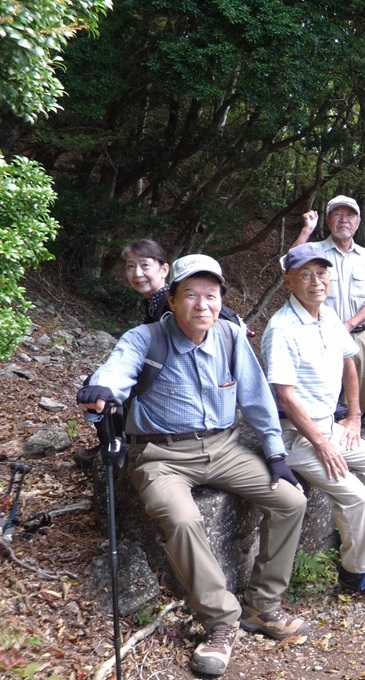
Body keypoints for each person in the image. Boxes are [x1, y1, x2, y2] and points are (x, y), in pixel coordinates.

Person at [76, 254, 309, 677]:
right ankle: (221, 622)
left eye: (211, 295)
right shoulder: (145, 338)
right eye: (191, 295)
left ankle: (262, 605)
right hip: (160, 455)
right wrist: (102, 391)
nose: (203, 305)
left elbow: (256, 398)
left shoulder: (230, 336)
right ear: (171, 299)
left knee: (291, 501)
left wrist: (276, 453)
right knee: (182, 520)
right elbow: (116, 371)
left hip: (224, 446)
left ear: (221, 299)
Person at [262, 244, 365, 597]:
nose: (316, 282)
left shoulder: (330, 316)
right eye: (305, 275)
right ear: (288, 281)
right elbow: (285, 396)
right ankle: (357, 572)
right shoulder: (282, 329)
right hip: (297, 436)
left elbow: (349, 364)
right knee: (354, 494)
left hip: (328, 425)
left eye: (321, 273)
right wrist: (322, 444)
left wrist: (354, 415)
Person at [294, 196, 365, 423]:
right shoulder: (314, 250)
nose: (344, 220)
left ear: (358, 223)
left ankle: (357, 429)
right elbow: (289, 265)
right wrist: (306, 230)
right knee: (322, 401)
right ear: (328, 221)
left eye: (350, 215)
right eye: (337, 214)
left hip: (360, 336)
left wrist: (349, 325)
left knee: (359, 405)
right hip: (320, 336)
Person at [122, 238, 171, 323]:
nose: (137, 274)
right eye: (131, 266)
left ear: (164, 270)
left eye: (145, 265)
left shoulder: (172, 303)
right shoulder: (154, 301)